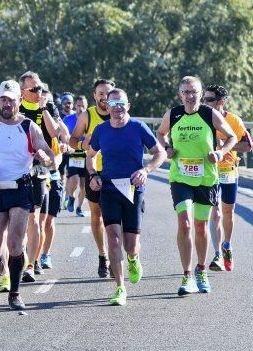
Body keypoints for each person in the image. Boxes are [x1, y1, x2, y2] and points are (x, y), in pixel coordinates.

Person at [0, 80, 55, 311]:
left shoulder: (29, 127)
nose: (7, 104)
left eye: (11, 99)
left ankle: (15, 294)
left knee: (16, 243)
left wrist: (44, 158)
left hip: (21, 188)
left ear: (19, 100)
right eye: (3, 99)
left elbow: (51, 156)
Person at [156, 76, 236, 296]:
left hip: (206, 179)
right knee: (185, 224)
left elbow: (231, 136)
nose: (190, 96)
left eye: (194, 92)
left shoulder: (210, 114)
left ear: (200, 94)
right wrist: (166, 148)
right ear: (180, 94)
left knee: (201, 227)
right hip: (180, 177)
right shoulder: (173, 114)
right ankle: (187, 275)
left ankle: (201, 269)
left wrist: (220, 153)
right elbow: (160, 133)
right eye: (186, 92)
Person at [86, 89, 166, 305]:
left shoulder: (138, 127)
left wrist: (145, 170)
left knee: (130, 245)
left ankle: (133, 258)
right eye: (113, 104)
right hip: (109, 189)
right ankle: (120, 288)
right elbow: (90, 156)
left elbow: (161, 153)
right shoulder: (101, 130)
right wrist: (93, 175)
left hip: (133, 189)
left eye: (121, 103)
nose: (117, 107)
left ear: (128, 105)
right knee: (112, 237)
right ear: (106, 106)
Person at [202, 85, 251, 271]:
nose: (205, 103)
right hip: (210, 171)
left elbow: (247, 146)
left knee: (228, 212)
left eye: (209, 100)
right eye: (204, 99)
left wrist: (225, 146)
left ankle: (227, 245)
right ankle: (217, 255)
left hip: (229, 170)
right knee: (216, 213)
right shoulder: (203, 118)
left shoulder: (234, 121)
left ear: (221, 101)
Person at [69, 79, 115, 278]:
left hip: (116, 172)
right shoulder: (88, 115)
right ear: (95, 95)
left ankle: (115, 258)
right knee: (97, 216)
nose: (105, 97)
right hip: (94, 171)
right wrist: (84, 146)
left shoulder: (119, 112)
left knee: (115, 218)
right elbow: (72, 141)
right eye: (101, 93)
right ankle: (103, 255)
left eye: (108, 93)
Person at [18, 72, 61, 281]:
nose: (39, 93)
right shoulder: (15, 108)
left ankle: (30, 264)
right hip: (16, 168)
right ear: (22, 92)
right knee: (17, 218)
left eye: (41, 88)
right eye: (34, 89)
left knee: (34, 217)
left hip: (40, 169)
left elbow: (54, 134)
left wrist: (44, 107)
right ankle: (17, 260)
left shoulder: (48, 107)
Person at [38, 88, 69, 270]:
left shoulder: (53, 116)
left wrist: (65, 145)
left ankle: (45, 254)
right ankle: (33, 255)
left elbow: (62, 135)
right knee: (37, 221)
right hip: (37, 174)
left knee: (49, 220)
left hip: (53, 174)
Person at [64, 95, 88, 216]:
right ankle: (71, 197)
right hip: (73, 153)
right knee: (74, 179)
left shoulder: (89, 118)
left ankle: (79, 208)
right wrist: (65, 145)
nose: (81, 108)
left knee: (83, 185)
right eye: (78, 105)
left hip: (87, 155)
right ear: (75, 106)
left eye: (83, 106)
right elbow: (62, 135)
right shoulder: (68, 119)